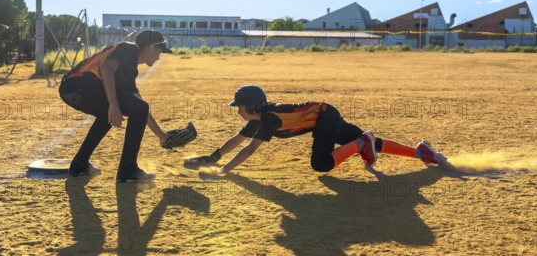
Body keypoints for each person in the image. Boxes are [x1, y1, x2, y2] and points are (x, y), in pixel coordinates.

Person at [186, 85, 449, 175]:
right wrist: (212, 159)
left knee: (321, 165)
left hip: (324, 118)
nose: (238, 110)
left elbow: (248, 149)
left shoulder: (268, 120)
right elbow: (237, 139)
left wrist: (223, 171)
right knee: (374, 144)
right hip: (325, 114)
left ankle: (361, 144)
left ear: (253, 105)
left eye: (240, 106)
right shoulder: (258, 118)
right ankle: (423, 153)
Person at [59, 30, 172, 182]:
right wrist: (113, 105)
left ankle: (79, 166)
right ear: (151, 48)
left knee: (116, 114)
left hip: (74, 89)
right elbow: (106, 69)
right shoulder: (130, 49)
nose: (159, 56)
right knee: (119, 110)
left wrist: (162, 136)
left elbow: (141, 108)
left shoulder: (130, 72)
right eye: (159, 51)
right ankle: (128, 171)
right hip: (78, 86)